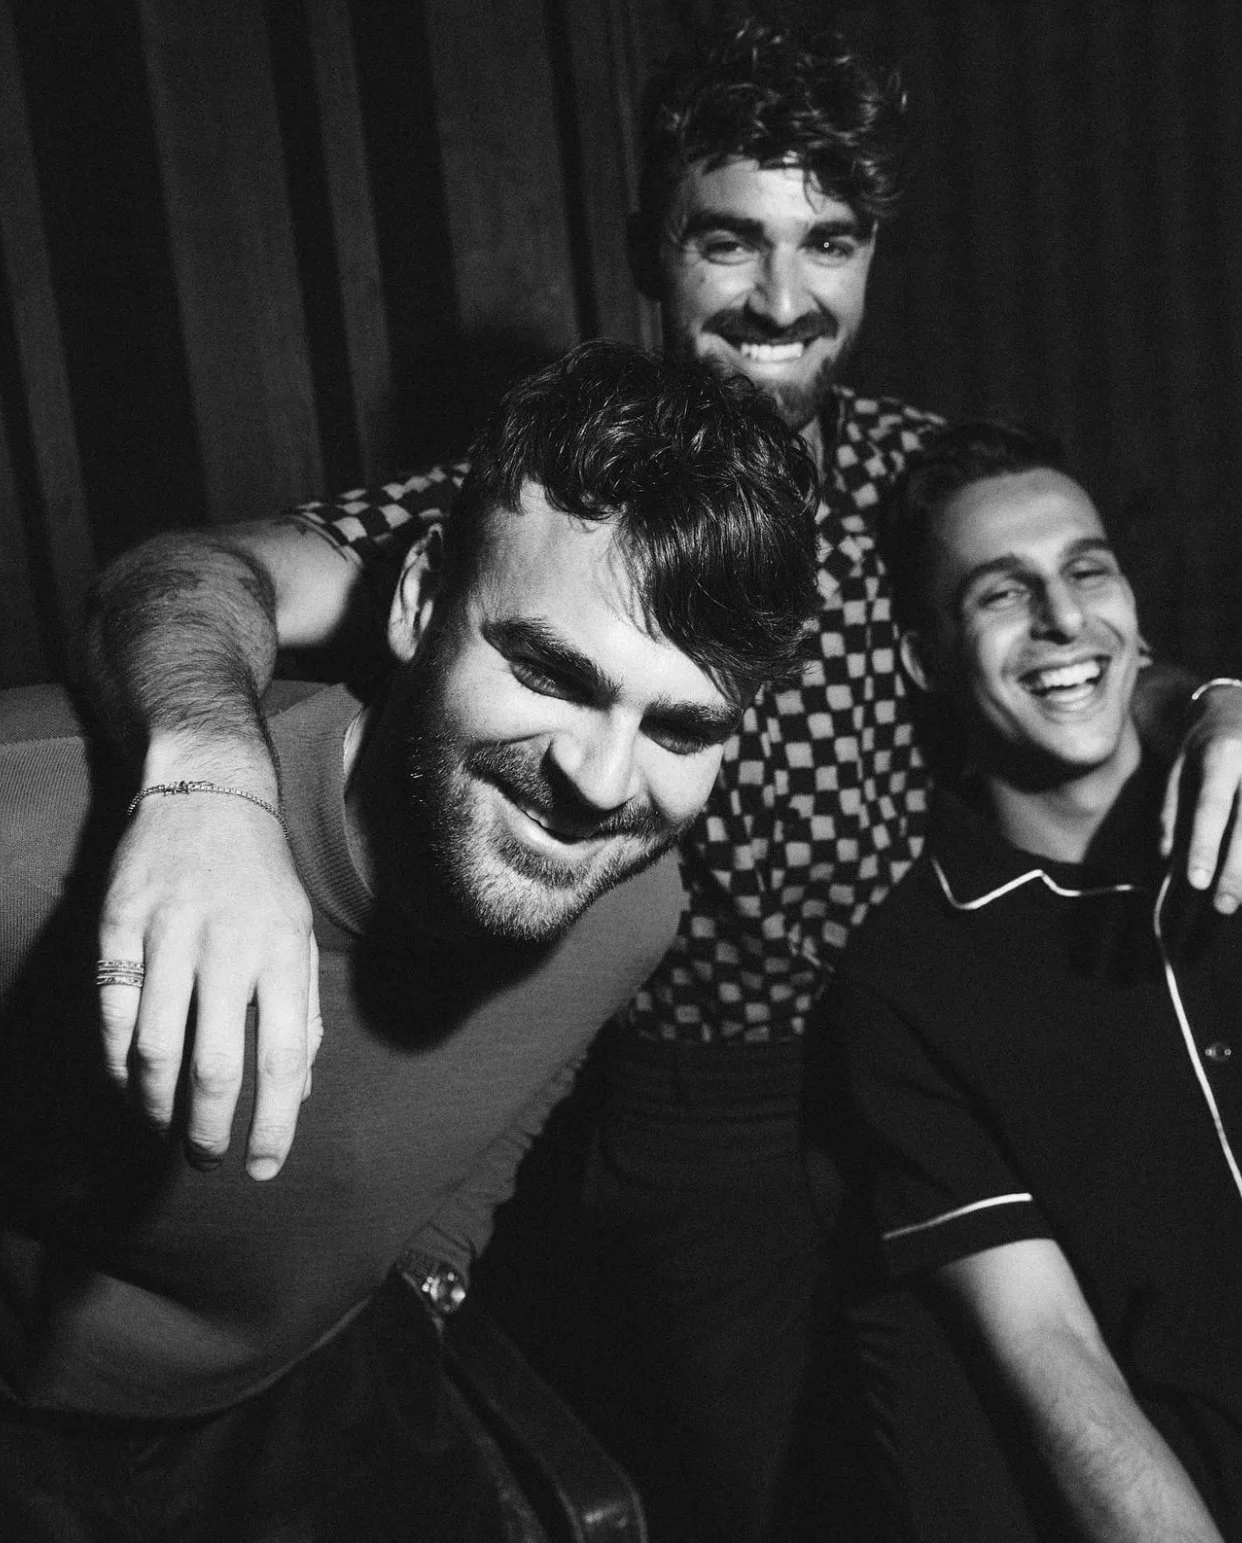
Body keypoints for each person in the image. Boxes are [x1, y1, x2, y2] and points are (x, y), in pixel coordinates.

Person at [81, 15, 1242, 1542]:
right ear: (651, 245)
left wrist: (1204, 697)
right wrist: (211, 780)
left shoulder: (913, 472)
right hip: (704, 1117)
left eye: (828, 243)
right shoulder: (554, 491)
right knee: (753, 1498)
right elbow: (191, 574)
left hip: (939, 1053)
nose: (782, 297)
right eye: (727, 240)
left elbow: (1055, 633)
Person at [0, 341, 820, 1542]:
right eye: (552, 672)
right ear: (422, 600)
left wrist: (431, 1267)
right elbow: (183, 573)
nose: (600, 782)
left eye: (682, 728)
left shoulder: (634, 910)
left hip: (317, 1390)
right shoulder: (28, 829)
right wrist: (210, 789)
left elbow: (507, 1104)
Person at [835, 420, 1242, 1541]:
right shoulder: (910, 978)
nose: (1064, 618)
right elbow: (1058, 1368)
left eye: (1088, 571)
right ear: (924, 658)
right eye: (1003, 593)